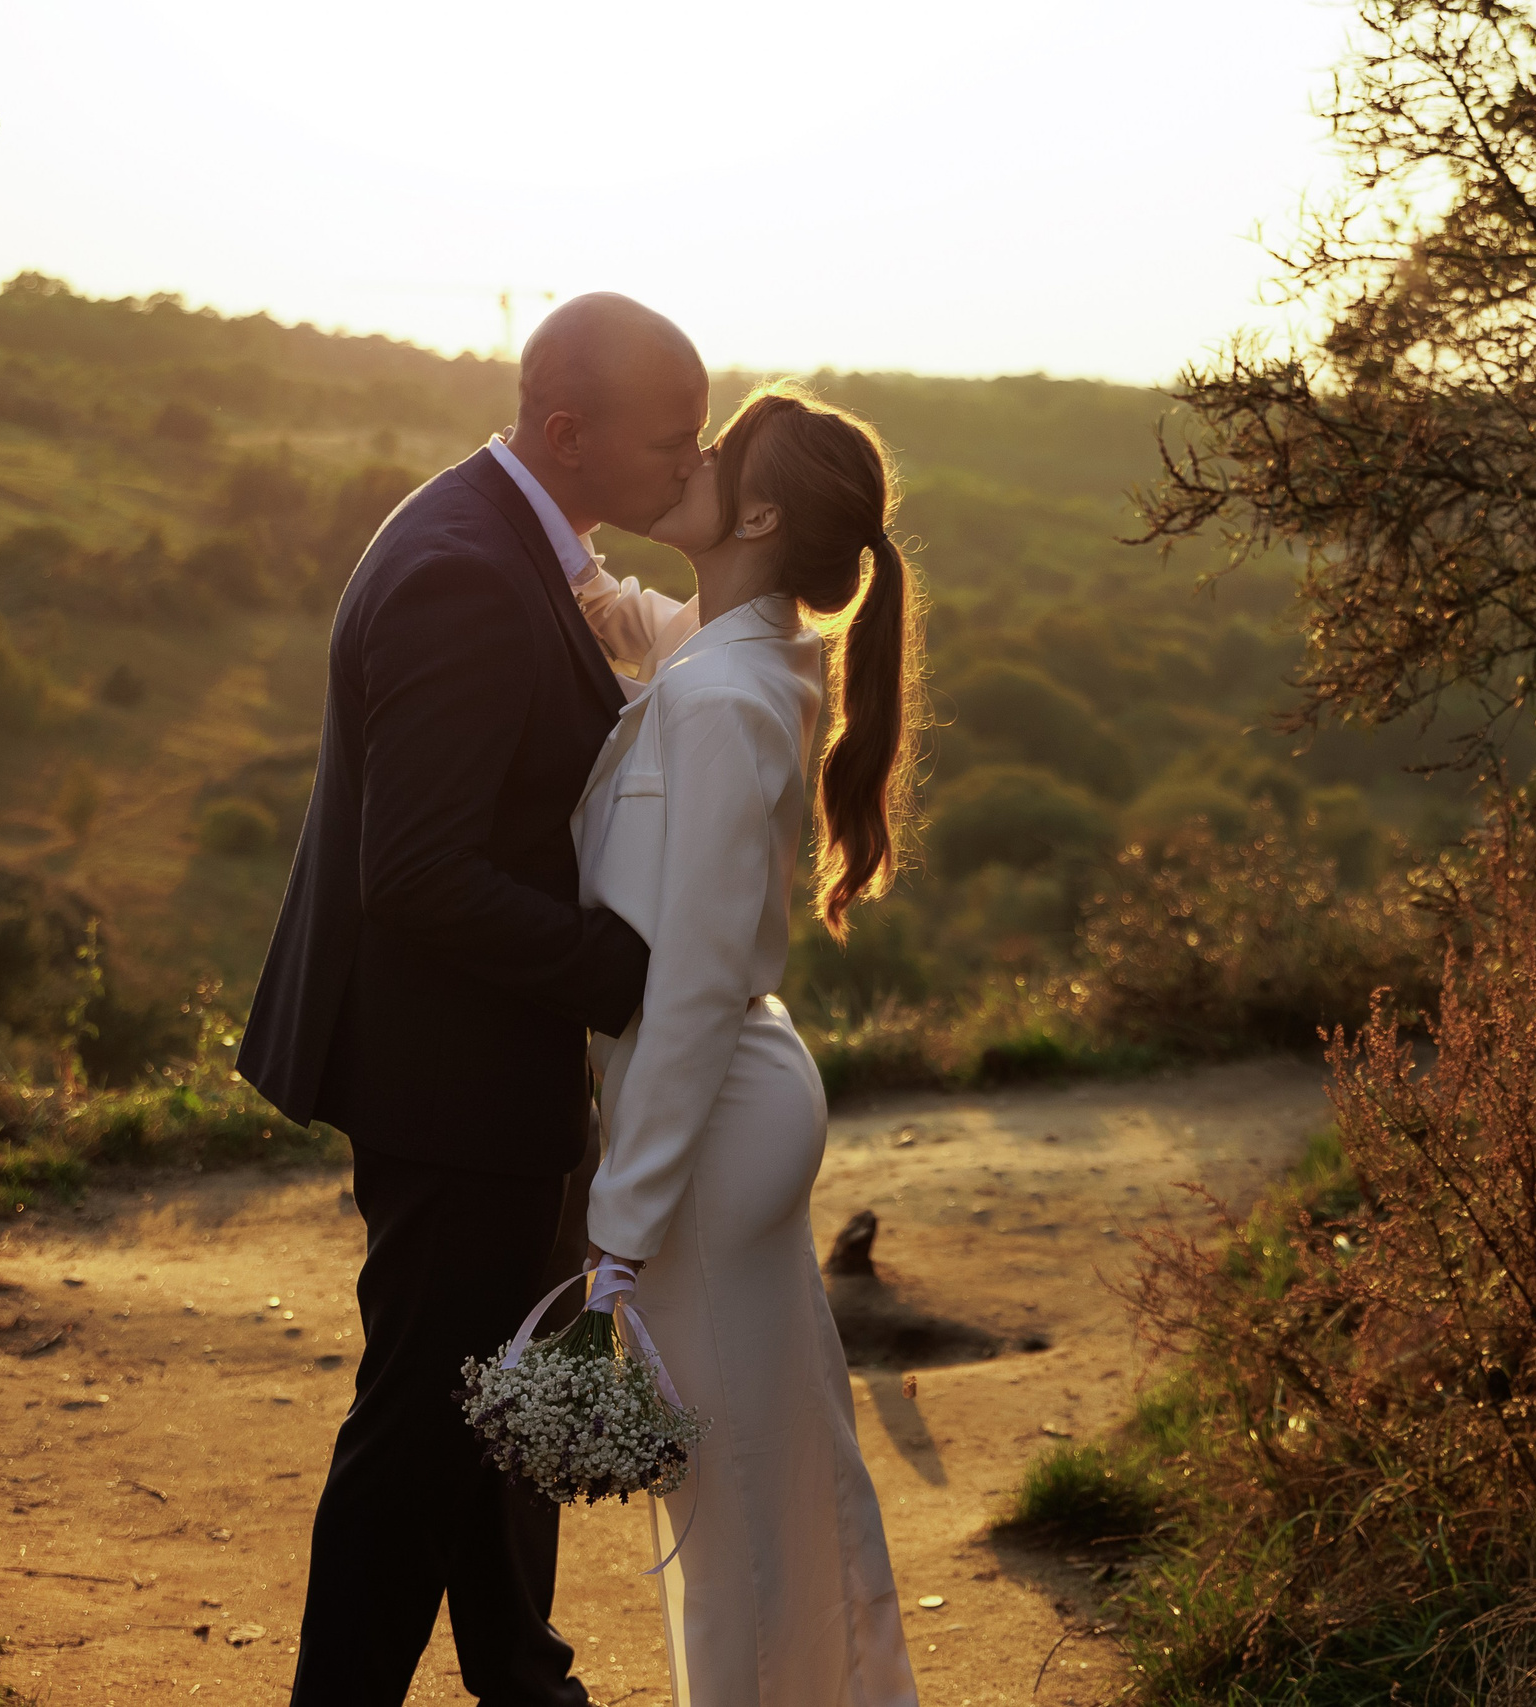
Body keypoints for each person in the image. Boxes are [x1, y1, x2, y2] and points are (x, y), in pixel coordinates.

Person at [236, 293, 709, 1707]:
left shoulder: (504, 535)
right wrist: (634, 973)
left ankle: (525, 1678)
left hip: (484, 1066)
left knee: (506, 1406)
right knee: (418, 1436)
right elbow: (421, 875)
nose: (691, 472)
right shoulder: (459, 567)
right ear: (567, 434)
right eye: (669, 446)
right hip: (444, 1077)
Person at [570, 381, 921, 1705]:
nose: (695, 458)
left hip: (709, 1125)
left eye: (720, 453)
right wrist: (560, 535)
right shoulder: (753, 648)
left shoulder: (723, 693)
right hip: (734, 1106)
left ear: (762, 511)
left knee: (729, 1514)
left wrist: (623, 1213)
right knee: (780, 1481)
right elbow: (655, 631)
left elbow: (698, 985)